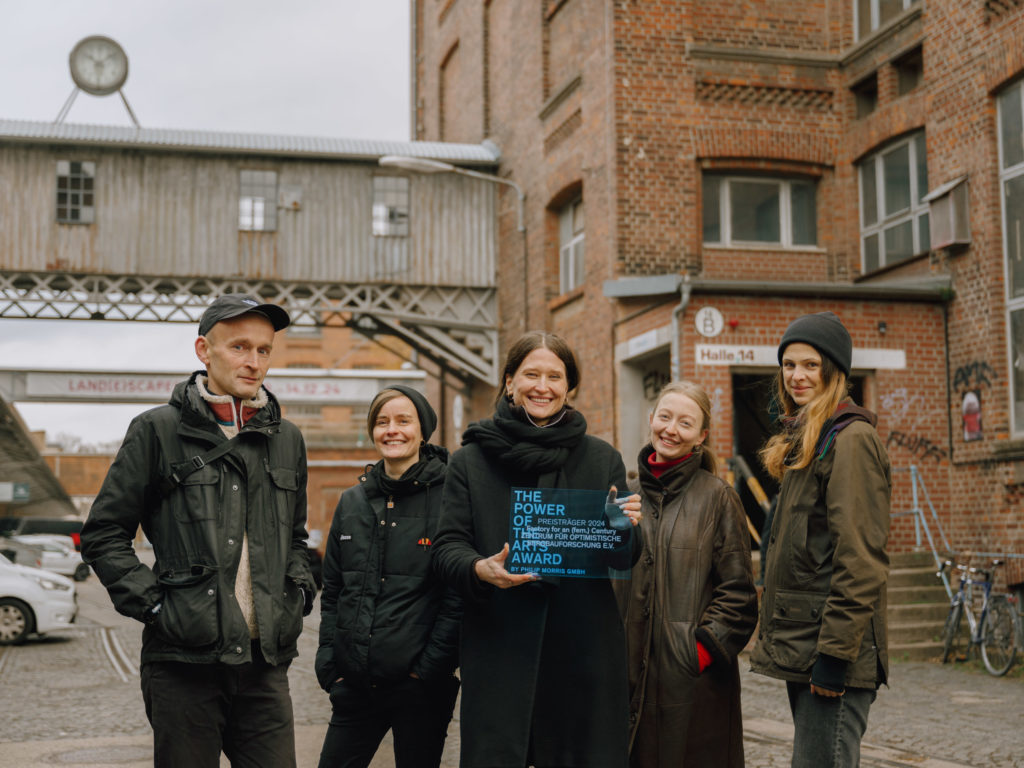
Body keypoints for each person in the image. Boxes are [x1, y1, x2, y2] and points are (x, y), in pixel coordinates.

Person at [81, 293, 317, 768]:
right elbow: (104, 533)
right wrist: (154, 605)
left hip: (264, 665)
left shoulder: (287, 439)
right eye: (239, 347)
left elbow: (296, 536)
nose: (253, 362)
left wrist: (298, 592)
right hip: (183, 664)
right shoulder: (155, 431)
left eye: (264, 350)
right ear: (203, 351)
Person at [433, 331, 642, 768]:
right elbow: (447, 547)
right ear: (509, 381)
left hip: (582, 650)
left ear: (570, 387)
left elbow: (624, 555)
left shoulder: (602, 458)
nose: (542, 386)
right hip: (500, 647)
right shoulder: (470, 460)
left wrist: (623, 526)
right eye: (531, 374)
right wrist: (478, 568)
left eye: (554, 376)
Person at [750, 312, 891, 768]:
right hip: (805, 645)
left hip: (832, 654)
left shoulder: (851, 440)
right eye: (789, 365)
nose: (797, 376)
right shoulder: (811, 439)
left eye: (810, 365)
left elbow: (860, 560)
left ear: (835, 370)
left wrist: (834, 655)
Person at [315, 385, 461, 768]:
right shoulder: (352, 501)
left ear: (423, 430)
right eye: (382, 422)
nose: (392, 430)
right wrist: (330, 665)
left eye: (403, 421)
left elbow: (456, 595)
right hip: (355, 685)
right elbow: (333, 591)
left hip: (421, 689)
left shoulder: (451, 497)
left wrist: (428, 670)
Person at [619, 381, 758, 768]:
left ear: (701, 436)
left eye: (685, 422)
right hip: (628, 679)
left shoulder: (718, 497)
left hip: (692, 682)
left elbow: (739, 596)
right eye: (664, 417)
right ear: (651, 420)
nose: (671, 430)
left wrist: (697, 653)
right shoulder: (626, 498)